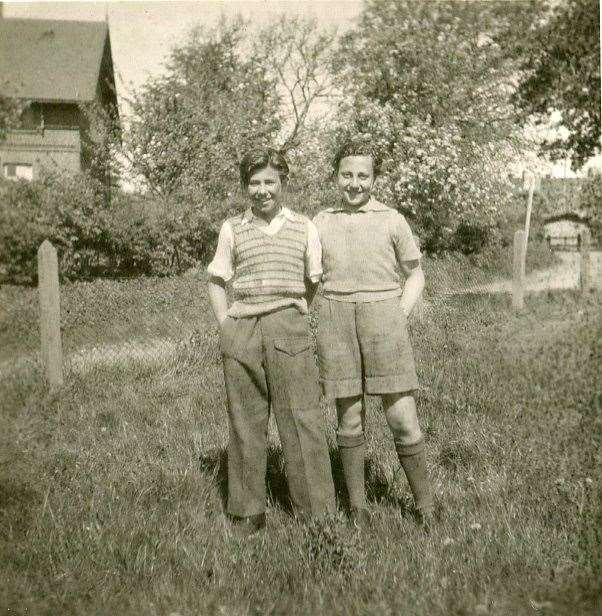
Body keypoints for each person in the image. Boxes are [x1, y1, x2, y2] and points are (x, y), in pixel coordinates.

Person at [207, 147, 335, 536]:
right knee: (246, 421)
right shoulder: (232, 228)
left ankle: (316, 512)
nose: (262, 190)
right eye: (254, 182)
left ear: (283, 183)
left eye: (269, 182)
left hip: (289, 326)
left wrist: (293, 313)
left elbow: (314, 282)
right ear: (246, 186)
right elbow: (216, 280)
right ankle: (248, 511)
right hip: (242, 326)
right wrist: (225, 323)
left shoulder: (304, 226)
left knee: (302, 417)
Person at [313, 140, 434, 529]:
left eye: (362, 175)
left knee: (402, 418)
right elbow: (309, 278)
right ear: (336, 176)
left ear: (374, 178)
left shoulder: (392, 219)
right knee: (349, 419)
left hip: (384, 318)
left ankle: (426, 507)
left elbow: (415, 272)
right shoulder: (320, 222)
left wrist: (399, 311)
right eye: (347, 174)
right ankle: (358, 508)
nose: (354, 183)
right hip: (336, 319)